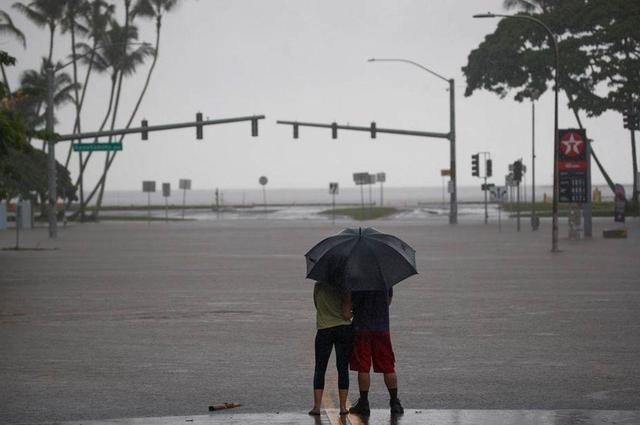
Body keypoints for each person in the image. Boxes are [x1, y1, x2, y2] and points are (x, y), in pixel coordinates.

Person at [348, 287, 403, 416]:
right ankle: (394, 402)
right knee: (388, 366)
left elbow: (352, 302)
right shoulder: (384, 277)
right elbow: (388, 300)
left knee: (363, 366)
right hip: (381, 326)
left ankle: (364, 402)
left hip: (362, 327)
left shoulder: (357, 277)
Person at [309, 281, 353, 416]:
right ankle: (343, 407)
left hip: (324, 329)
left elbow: (317, 305)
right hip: (343, 329)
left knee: (320, 368)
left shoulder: (318, 285)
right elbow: (347, 312)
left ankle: (316, 407)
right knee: (342, 368)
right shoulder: (345, 285)